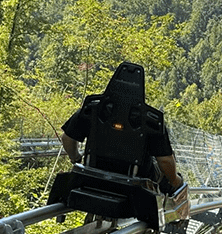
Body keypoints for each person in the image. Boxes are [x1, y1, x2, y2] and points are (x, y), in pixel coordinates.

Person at [59, 62, 184, 194]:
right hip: (137, 185)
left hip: (93, 176)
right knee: (172, 175)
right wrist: (175, 180)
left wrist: (76, 159)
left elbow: (67, 138)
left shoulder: (93, 109)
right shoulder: (151, 120)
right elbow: (165, 161)